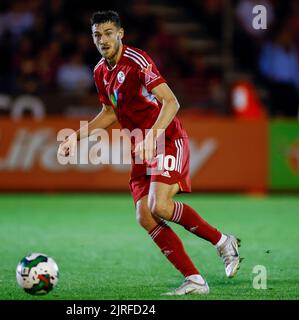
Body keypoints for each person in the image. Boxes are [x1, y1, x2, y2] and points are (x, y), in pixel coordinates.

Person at [58, 10, 241, 295]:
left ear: (120, 33)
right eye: (97, 35)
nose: (103, 40)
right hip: (140, 146)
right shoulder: (99, 72)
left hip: (166, 138)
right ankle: (194, 279)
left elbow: (171, 102)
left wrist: (152, 135)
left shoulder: (137, 61)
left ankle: (222, 242)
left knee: (159, 206)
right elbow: (109, 112)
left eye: (108, 33)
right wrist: (77, 136)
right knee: (145, 215)